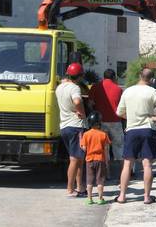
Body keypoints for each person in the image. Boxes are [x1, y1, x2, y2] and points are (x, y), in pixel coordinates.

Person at [114, 68, 156, 204]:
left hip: (132, 130)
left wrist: (130, 117)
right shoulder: (152, 92)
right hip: (147, 129)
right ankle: (146, 197)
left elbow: (119, 112)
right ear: (151, 79)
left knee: (127, 164)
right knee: (147, 165)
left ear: (139, 76)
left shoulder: (128, 91)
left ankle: (122, 196)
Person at [55, 63, 87, 197]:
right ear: (79, 76)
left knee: (78, 158)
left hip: (65, 126)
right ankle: (70, 188)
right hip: (76, 126)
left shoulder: (60, 87)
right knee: (75, 159)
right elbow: (77, 101)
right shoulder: (75, 88)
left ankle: (80, 187)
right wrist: (82, 112)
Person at [88, 69, 124, 172]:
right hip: (115, 121)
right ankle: (123, 172)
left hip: (100, 122)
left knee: (104, 148)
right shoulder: (118, 89)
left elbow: (90, 104)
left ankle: (106, 173)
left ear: (103, 77)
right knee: (119, 146)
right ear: (114, 77)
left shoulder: (95, 87)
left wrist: (94, 112)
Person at [80, 111, 111, 205]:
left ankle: (89, 199)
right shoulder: (103, 134)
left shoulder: (86, 135)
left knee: (89, 180)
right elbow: (106, 149)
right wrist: (107, 160)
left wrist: (80, 143)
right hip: (100, 159)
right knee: (100, 180)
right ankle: (100, 198)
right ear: (99, 123)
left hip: (89, 160)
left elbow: (84, 149)